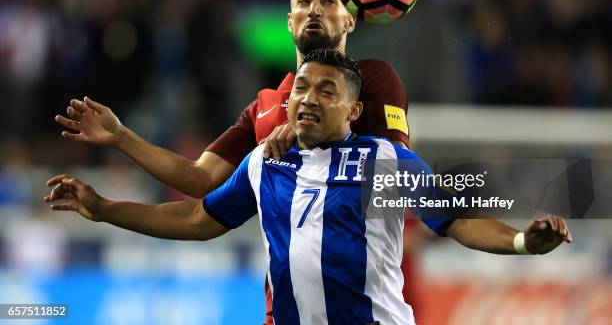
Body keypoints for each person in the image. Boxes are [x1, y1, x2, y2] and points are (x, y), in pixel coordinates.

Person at [46, 49, 572, 325]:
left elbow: (458, 220)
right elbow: (196, 217)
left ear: (354, 110)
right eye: (301, 87)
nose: (309, 98)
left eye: (327, 90)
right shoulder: (265, 164)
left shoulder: (384, 161)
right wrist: (105, 207)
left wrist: (525, 242)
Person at [54, 0, 412, 323]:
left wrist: (308, 130)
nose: (314, 9)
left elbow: (394, 174)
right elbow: (199, 182)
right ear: (290, 21)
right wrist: (121, 137)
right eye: (304, 1)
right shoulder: (265, 106)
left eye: (328, 0)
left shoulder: (375, 78)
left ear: (350, 20)